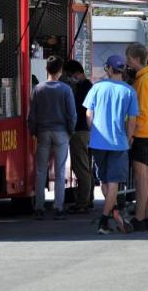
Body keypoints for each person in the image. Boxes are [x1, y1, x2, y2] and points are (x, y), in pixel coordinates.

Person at [84, 55, 139, 234]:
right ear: (122, 70)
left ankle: (109, 214)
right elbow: (132, 120)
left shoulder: (97, 87)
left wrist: (93, 131)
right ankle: (106, 218)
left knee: (103, 180)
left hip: (98, 141)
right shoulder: (129, 91)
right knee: (114, 181)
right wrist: (129, 137)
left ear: (108, 68)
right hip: (119, 142)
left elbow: (88, 114)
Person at [28, 56, 76, 220]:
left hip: (42, 132)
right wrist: (70, 131)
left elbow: (32, 114)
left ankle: (39, 207)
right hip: (61, 132)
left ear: (46, 69)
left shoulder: (38, 89)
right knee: (60, 170)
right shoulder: (65, 89)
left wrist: (33, 131)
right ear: (60, 71)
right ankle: (58, 207)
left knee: (41, 170)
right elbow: (71, 114)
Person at [125, 44, 148, 231]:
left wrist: (130, 133)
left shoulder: (144, 80)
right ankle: (144, 216)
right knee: (144, 176)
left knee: (141, 177)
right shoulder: (147, 77)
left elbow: (141, 111)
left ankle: (140, 217)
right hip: (147, 131)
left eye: (129, 59)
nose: (127, 62)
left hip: (142, 132)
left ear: (136, 59)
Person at [63, 60, 94, 214]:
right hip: (86, 131)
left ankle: (82, 202)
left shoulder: (82, 87)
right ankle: (88, 199)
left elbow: (77, 109)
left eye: (69, 75)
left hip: (80, 131)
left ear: (77, 73)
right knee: (86, 166)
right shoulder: (88, 86)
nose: (69, 78)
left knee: (81, 167)